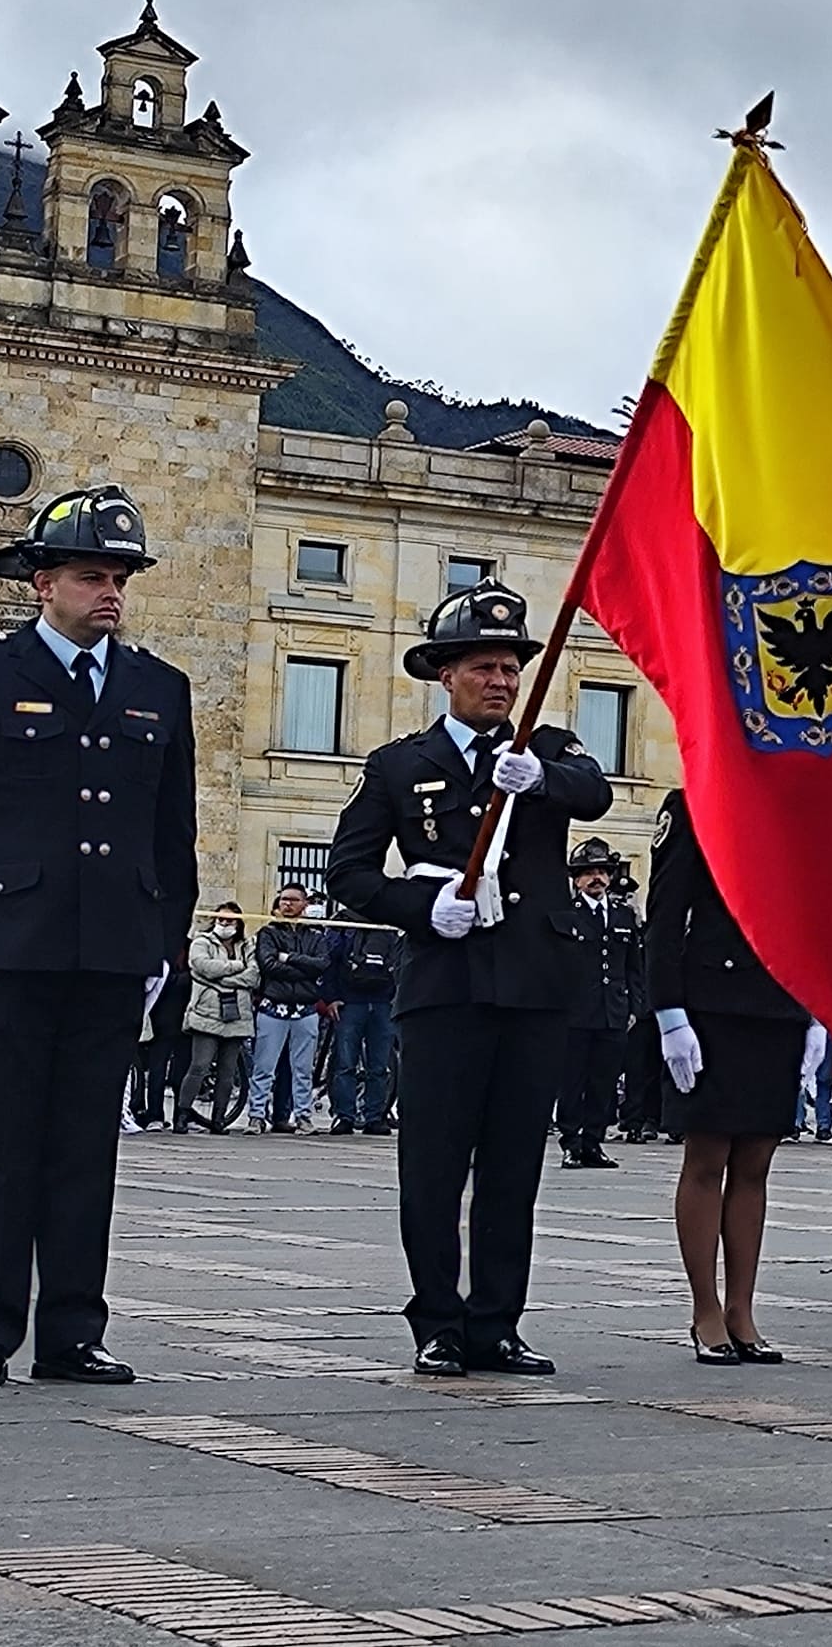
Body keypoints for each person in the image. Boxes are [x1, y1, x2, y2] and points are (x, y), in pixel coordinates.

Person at [0, 486, 194, 1388]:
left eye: (120, 579)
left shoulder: (158, 687)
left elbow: (172, 833)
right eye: (90, 576)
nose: (109, 593)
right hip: (7, 946)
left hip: (112, 948)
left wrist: (165, 946)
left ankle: (73, 1330)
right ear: (42, 583)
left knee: (85, 1148)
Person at [325, 579, 614, 1376]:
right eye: (484, 667)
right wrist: (423, 906)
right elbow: (349, 872)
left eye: (511, 668)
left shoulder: (546, 747)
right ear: (445, 674)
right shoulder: (399, 765)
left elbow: (595, 793)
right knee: (433, 1166)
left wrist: (540, 779)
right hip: (445, 987)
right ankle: (438, 1322)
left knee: (513, 1168)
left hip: (532, 986)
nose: (501, 681)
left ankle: (497, 1322)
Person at [646, 791, 802, 1364]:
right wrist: (668, 1012)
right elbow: (665, 915)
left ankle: (742, 1308)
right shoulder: (695, 804)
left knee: (756, 1162)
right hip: (711, 1002)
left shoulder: (799, 807)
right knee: (708, 1157)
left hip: (778, 1001)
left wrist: (815, 1008)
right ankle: (705, 1309)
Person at [556, 840, 642, 1168]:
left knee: (603, 1081)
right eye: (589, 872)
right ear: (576, 879)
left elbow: (633, 967)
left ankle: (593, 1141)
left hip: (613, 1011)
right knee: (572, 1080)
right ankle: (571, 1141)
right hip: (577, 1012)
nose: (597, 878)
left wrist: (635, 1007)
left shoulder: (623, 915)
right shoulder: (569, 915)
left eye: (602, 872)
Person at [244, 884, 328, 1134]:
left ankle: (303, 1115)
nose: (287, 904)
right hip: (274, 1006)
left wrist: (288, 958)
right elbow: (268, 964)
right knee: (264, 1066)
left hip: (305, 1009)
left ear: (305, 904)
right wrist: (303, 970)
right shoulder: (268, 932)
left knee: (303, 1069)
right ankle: (257, 1115)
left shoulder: (315, 935)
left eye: (293, 900)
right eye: (283, 899)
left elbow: (322, 964)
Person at [324, 914, 403, 1137]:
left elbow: (402, 964)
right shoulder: (344, 923)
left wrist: (396, 998)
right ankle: (344, 1116)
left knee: (379, 1066)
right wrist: (332, 997)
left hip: (382, 1003)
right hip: (350, 1002)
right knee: (345, 1064)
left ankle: (375, 1117)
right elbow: (330, 961)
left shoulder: (390, 923)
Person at [178, 906, 255, 1134]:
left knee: (227, 1071)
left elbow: (254, 976)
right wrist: (236, 967)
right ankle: (182, 1114)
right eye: (221, 919)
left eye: (230, 920)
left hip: (237, 1015)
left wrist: (222, 980)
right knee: (199, 1066)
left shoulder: (247, 945)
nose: (225, 924)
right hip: (206, 1013)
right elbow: (202, 967)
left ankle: (219, 1119)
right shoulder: (202, 942)